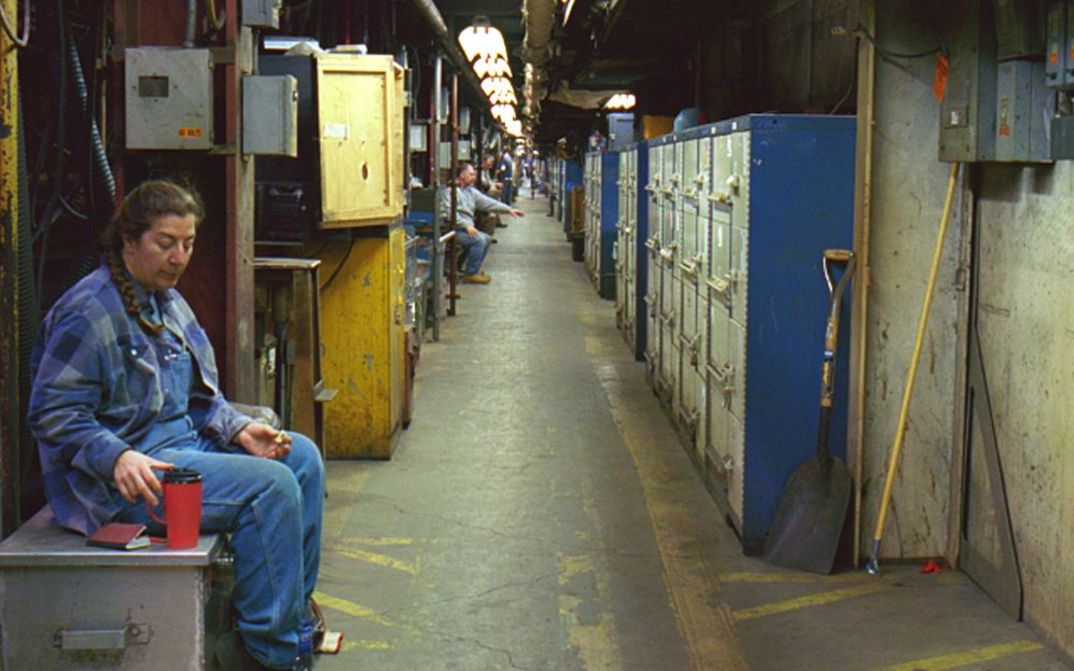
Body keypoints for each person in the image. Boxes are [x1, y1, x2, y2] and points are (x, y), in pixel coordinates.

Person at [27, 180, 324, 671]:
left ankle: (291, 612)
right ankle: (271, 655)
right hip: (128, 480)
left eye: (187, 244)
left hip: (183, 448)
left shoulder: (167, 302)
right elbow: (51, 413)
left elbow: (201, 398)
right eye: (165, 243)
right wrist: (115, 454)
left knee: (303, 460)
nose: (179, 257)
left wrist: (236, 429)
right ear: (129, 241)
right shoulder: (90, 312)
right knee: (269, 488)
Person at [439, 162, 524, 284]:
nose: (474, 177)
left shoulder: (471, 192)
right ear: (462, 175)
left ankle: (466, 267)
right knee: (479, 240)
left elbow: (488, 203)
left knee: (487, 239)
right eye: (471, 174)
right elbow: (450, 213)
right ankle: (471, 274)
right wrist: (466, 225)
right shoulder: (450, 192)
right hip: (453, 229)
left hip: (467, 229)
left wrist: (509, 210)